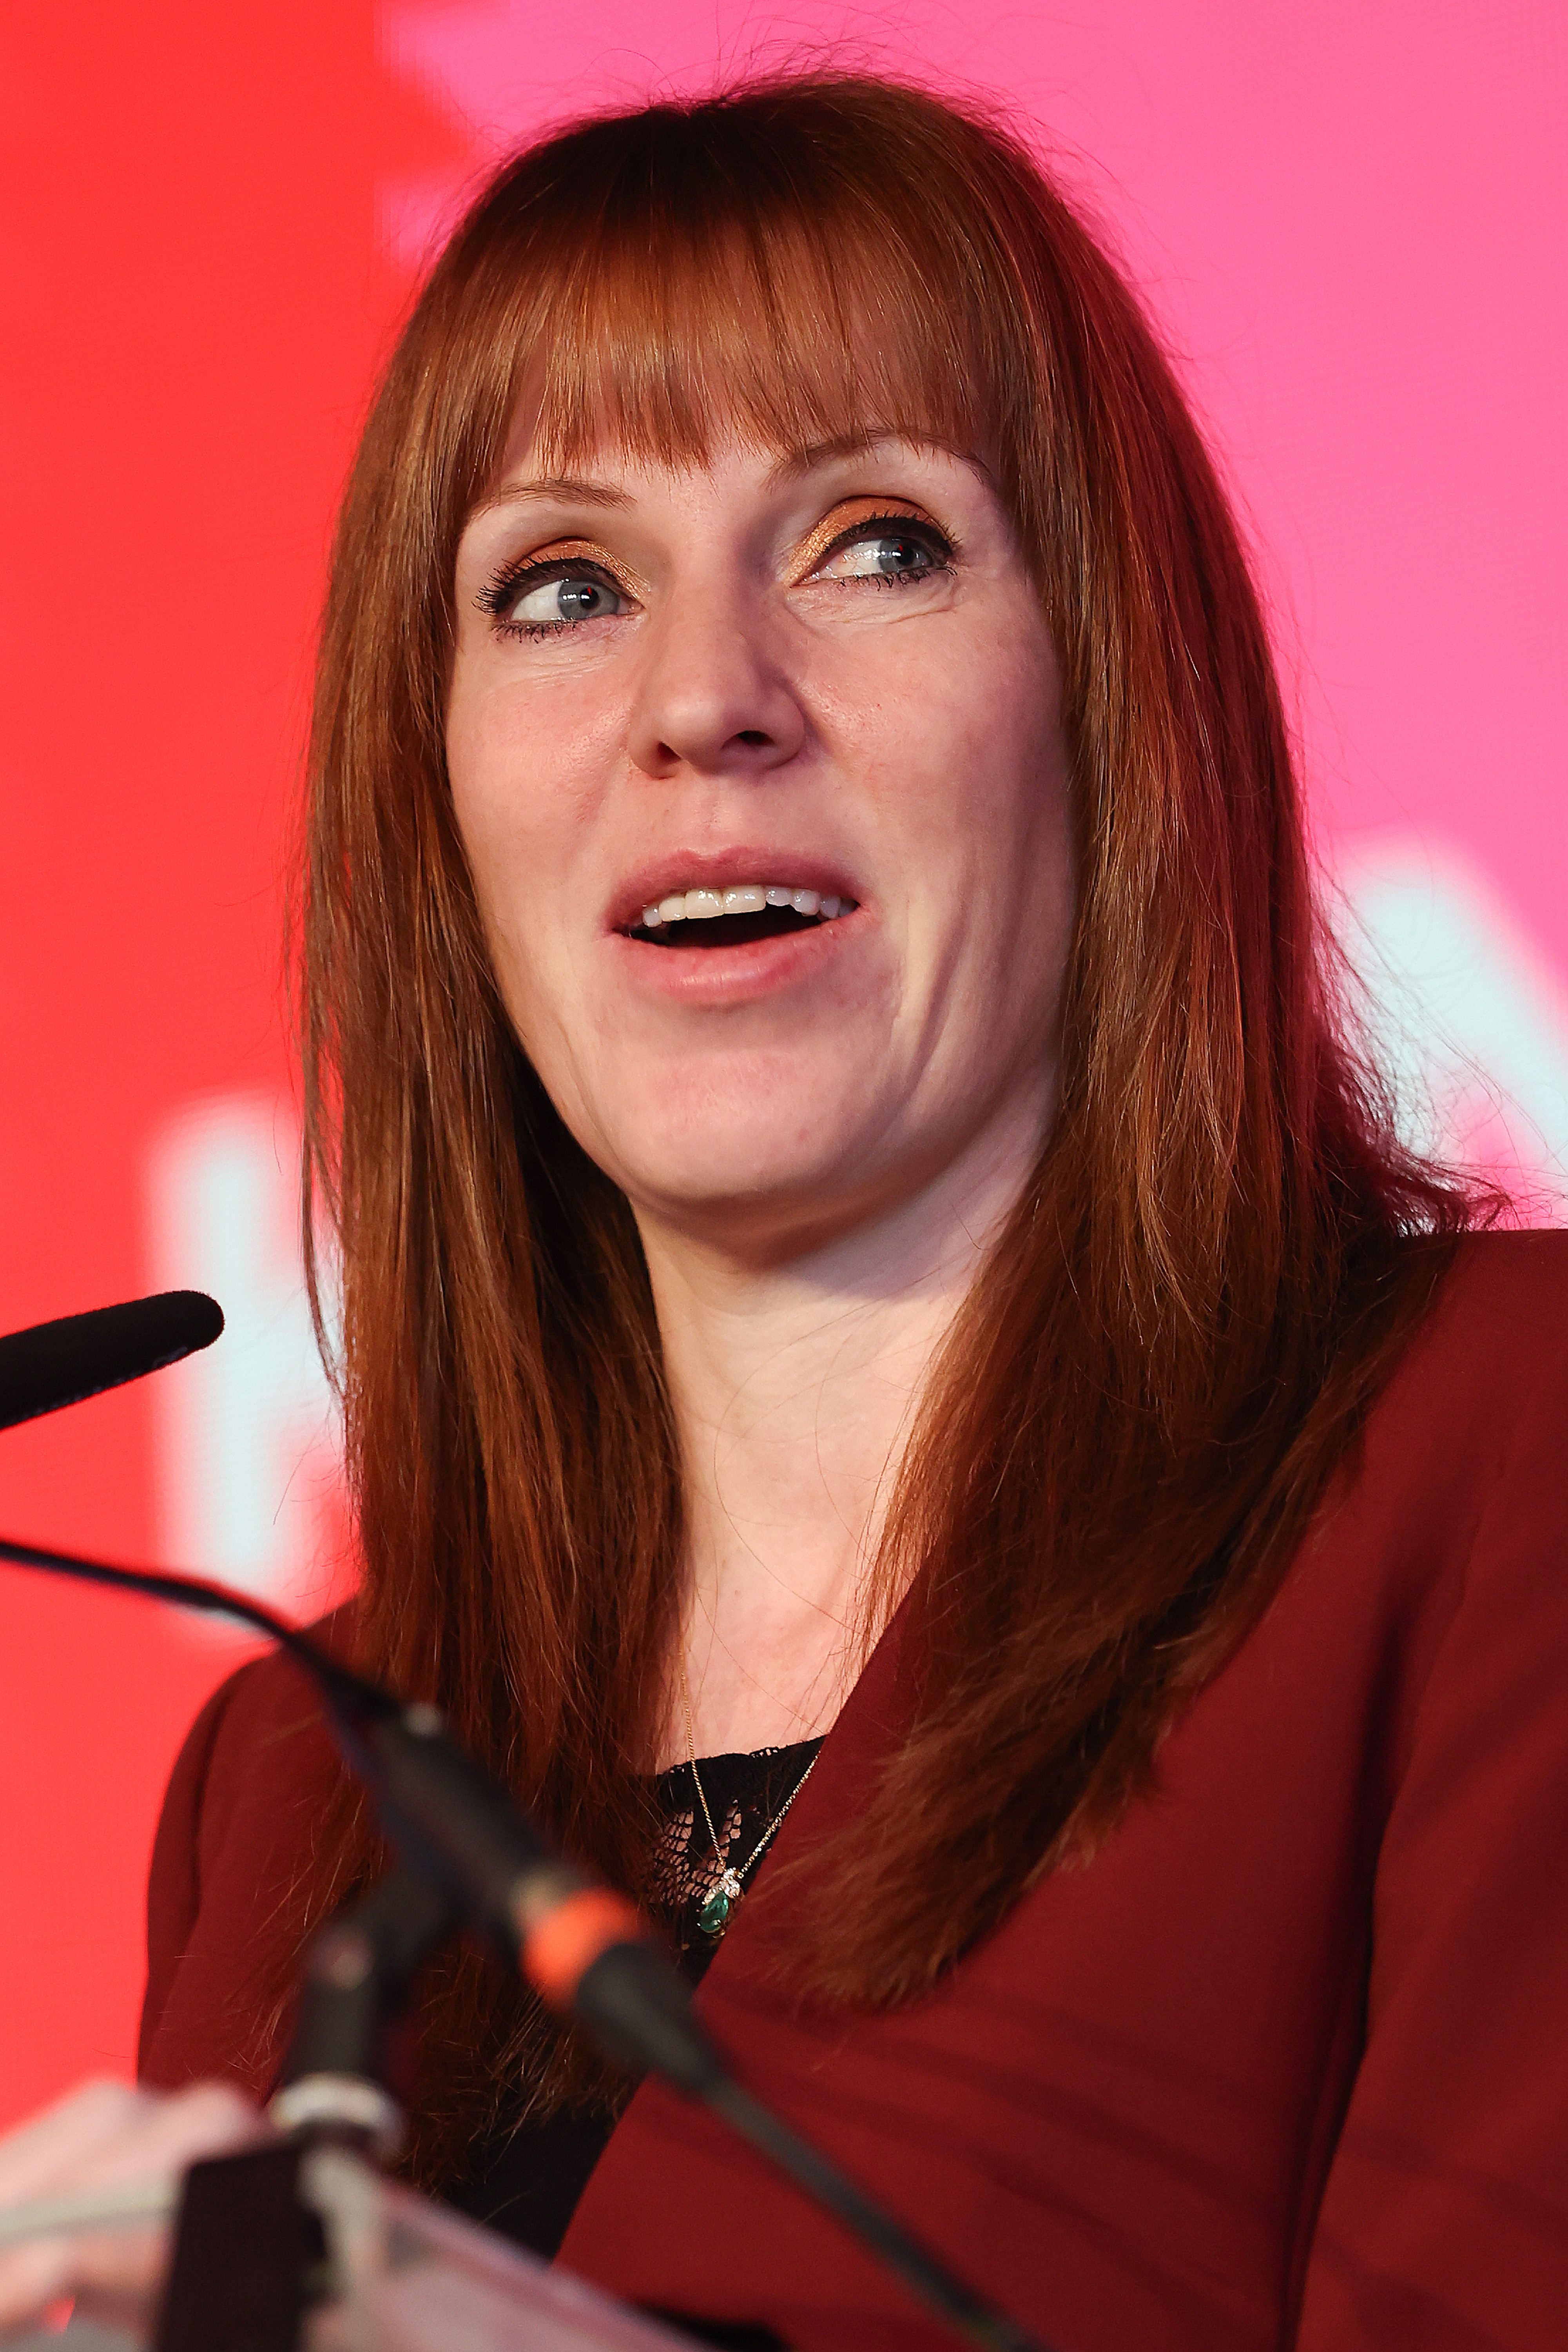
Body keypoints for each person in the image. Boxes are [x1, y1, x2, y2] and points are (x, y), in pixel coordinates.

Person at [3, 71, 1566, 2352]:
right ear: (432, 814)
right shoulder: (289, 1791)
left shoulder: (1499, 1463)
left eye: (873, 542)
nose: (703, 703)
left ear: (1107, 710)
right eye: (560, 586)